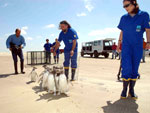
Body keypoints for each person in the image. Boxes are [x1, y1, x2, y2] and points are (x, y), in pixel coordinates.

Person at [117, 0, 150, 100]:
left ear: (134, 3)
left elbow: (148, 30)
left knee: (135, 68)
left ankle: (131, 91)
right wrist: (119, 43)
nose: (125, 8)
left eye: (127, 5)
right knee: (126, 67)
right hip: (126, 46)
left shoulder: (144, 15)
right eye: (124, 6)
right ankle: (124, 90)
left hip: (137, 46)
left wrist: (148, 42)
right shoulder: (124, 18)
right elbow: (122, 31)